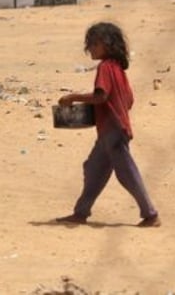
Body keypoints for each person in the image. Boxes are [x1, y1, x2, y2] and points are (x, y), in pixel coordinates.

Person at [55, 22, 160, 227]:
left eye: (94, 44)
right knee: (93, 169)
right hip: (112, 129)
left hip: (113, 131)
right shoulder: (118, 68)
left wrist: (72, 98)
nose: (91, 49)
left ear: (107, 45)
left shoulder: (105, 67)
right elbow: (128, 99)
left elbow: (101, 96)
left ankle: (150, 214)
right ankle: (81, 212)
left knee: (127, 173)